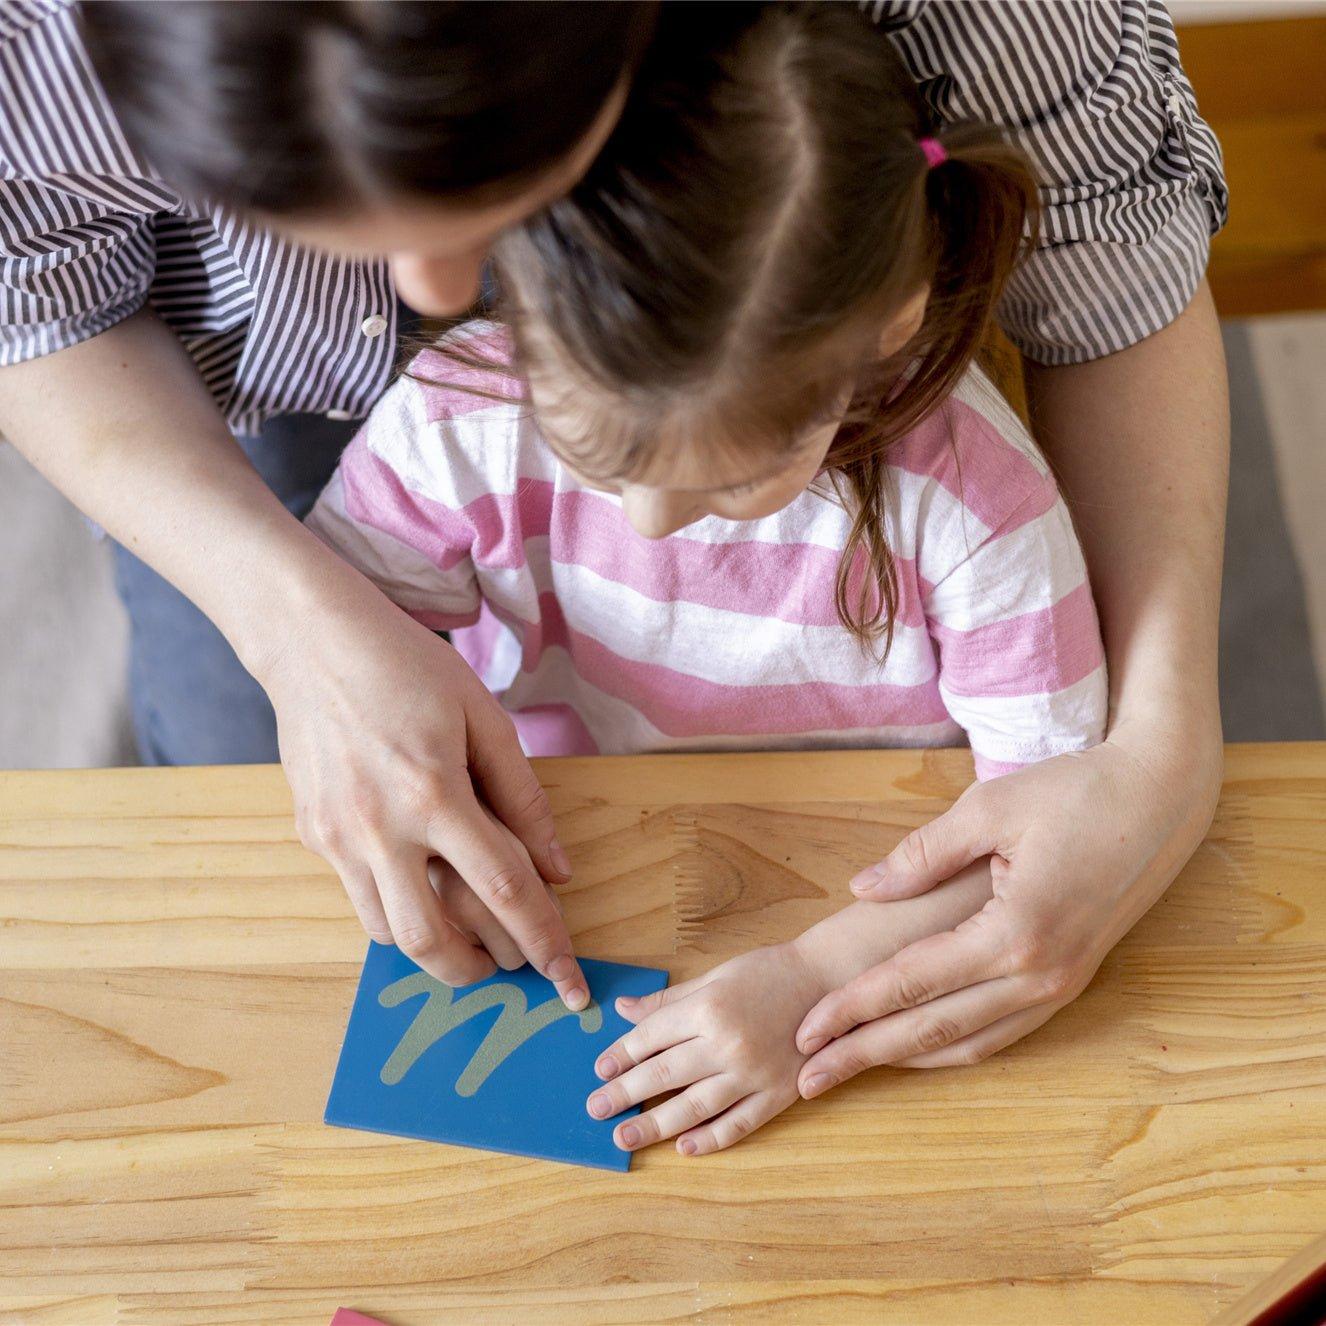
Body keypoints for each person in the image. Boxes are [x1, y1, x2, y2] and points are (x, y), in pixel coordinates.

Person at [0, 2, 1229, 1081]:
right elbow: (32, 297)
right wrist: (290, 630)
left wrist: (1166, 746)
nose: (438, 292)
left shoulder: (966, 513)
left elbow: (1118, 278)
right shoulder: (463, 420)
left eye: (490, 178)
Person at [301, 3, 1109, 1151]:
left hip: (864, 906)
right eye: (598, 454)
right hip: (581, 869)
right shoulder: (452, 420)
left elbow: (1049, 823)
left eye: (733, 480)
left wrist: (814, 981)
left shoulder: (981, 512)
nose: (650, 521)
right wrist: (419, 816)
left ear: (889, 327)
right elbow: (345, 669)